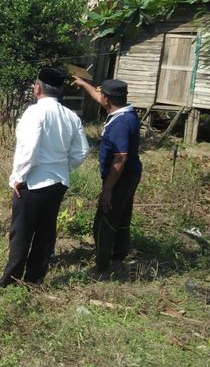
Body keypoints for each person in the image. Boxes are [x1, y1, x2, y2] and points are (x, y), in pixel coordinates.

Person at [0, 67, 90, 287]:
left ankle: (10, 281)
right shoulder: (71, 116)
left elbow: (29, 149)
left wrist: (18, 177)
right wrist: (63, 167)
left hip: (34, 182)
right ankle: (34, 279)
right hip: (59, 181)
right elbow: (82, 151)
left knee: (21, 232)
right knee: (45, 232)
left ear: (38, 88)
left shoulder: (35, 113)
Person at [72, 77, 142, 274]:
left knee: (105, 220)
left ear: (107, 100)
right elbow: (98, 96)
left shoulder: (120, 123)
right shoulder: (125, 111)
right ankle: (118, 258)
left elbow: (121, 157)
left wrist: (107, 189)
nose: (99, 96)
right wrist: (83, 84)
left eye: (101, 94)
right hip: (130, 175)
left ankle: (102, 267)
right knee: (122, 216)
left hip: (120, 178)